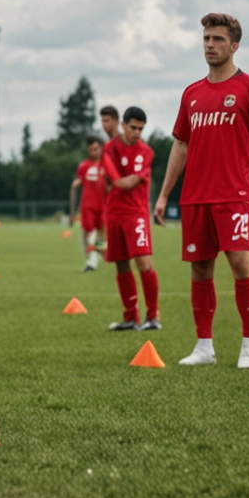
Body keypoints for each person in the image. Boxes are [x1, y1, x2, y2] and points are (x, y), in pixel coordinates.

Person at [155, 13, 249, 369]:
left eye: (218, 40)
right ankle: (204, 347)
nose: (210, 45)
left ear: (234, 46)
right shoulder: (191, 94)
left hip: (234, 195)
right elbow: (180, 146)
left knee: (240, 263)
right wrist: (164, 195)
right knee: (199, 270)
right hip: (195, 196)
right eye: (207, 39)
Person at [102, 107, 160, 331]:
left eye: (141, 129)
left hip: (136, 214)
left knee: (144, 264)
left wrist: (123, 179)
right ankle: (130, 318)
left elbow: (125, 183)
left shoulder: (145, 152)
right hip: (114, 213)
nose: (137, 132)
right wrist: (124, 179)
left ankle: (152, 317)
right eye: (133, 127)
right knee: (121, 264)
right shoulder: (109, 148)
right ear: (123, 125)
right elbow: (118, 181)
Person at [70, 136, 109, 272]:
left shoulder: (107, 165)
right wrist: (72, 213)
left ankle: (94, 259)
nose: (93, 152)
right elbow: (77, 184)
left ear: (101, 148)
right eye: (90, 150)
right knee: (88, 234)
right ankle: (91, 259)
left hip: (104, 205)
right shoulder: (84, 166)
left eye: (96, 149)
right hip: (88, 206)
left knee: (101, 235)